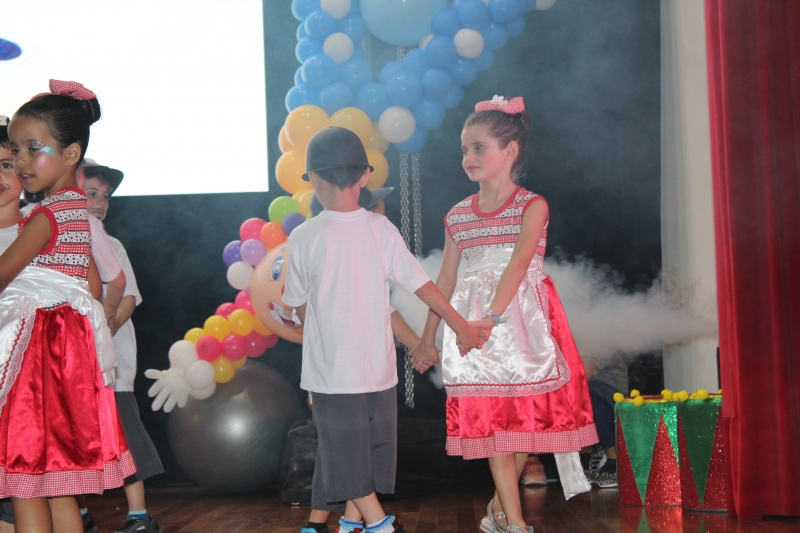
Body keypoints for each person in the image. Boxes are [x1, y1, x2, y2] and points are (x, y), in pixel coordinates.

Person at [283, 126, 486, 533]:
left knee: (350, 453)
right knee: (355, 453)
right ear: (364, 176)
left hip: (340, 372)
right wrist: (460, 325)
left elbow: (300, 306)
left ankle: (357, 524)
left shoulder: (304, 237)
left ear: (314, 180)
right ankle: (376, 523)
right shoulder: (381, 229)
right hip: (369, 372)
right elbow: (423, 286)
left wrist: (419, 343)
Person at [411, 96, 598, 533]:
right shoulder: (458, 216)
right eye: (464, 149)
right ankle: (514, 523)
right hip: (474, 329)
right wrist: (428, 336)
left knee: (522, 426)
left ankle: (498, 512)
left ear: (510, 151)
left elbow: (517, 267)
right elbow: (445, 281)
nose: (468, 157)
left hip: (522, 327)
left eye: (479, 148)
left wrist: (491, 320)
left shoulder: (532, 206)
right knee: (495, 424)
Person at [0, 80, 135, 533]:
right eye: (16, 150)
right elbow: (91, 284)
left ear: (71, 153)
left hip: (38, 353)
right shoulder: (76, 210)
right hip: (69, 353)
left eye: (32, 149)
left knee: (25, 476)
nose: (21, 161)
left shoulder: (45, 216)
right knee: (58, 480)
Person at [76, 160, 165, 532]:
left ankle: (138, 515)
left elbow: (128, 296)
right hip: (72, 369)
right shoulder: (53, 243)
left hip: (111, 367)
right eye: (91, 194)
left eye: (106, 196)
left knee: (125, 437)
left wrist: (106, 326)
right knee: (74, 441)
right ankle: (79, 514)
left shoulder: (112, 246)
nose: (100, 203)